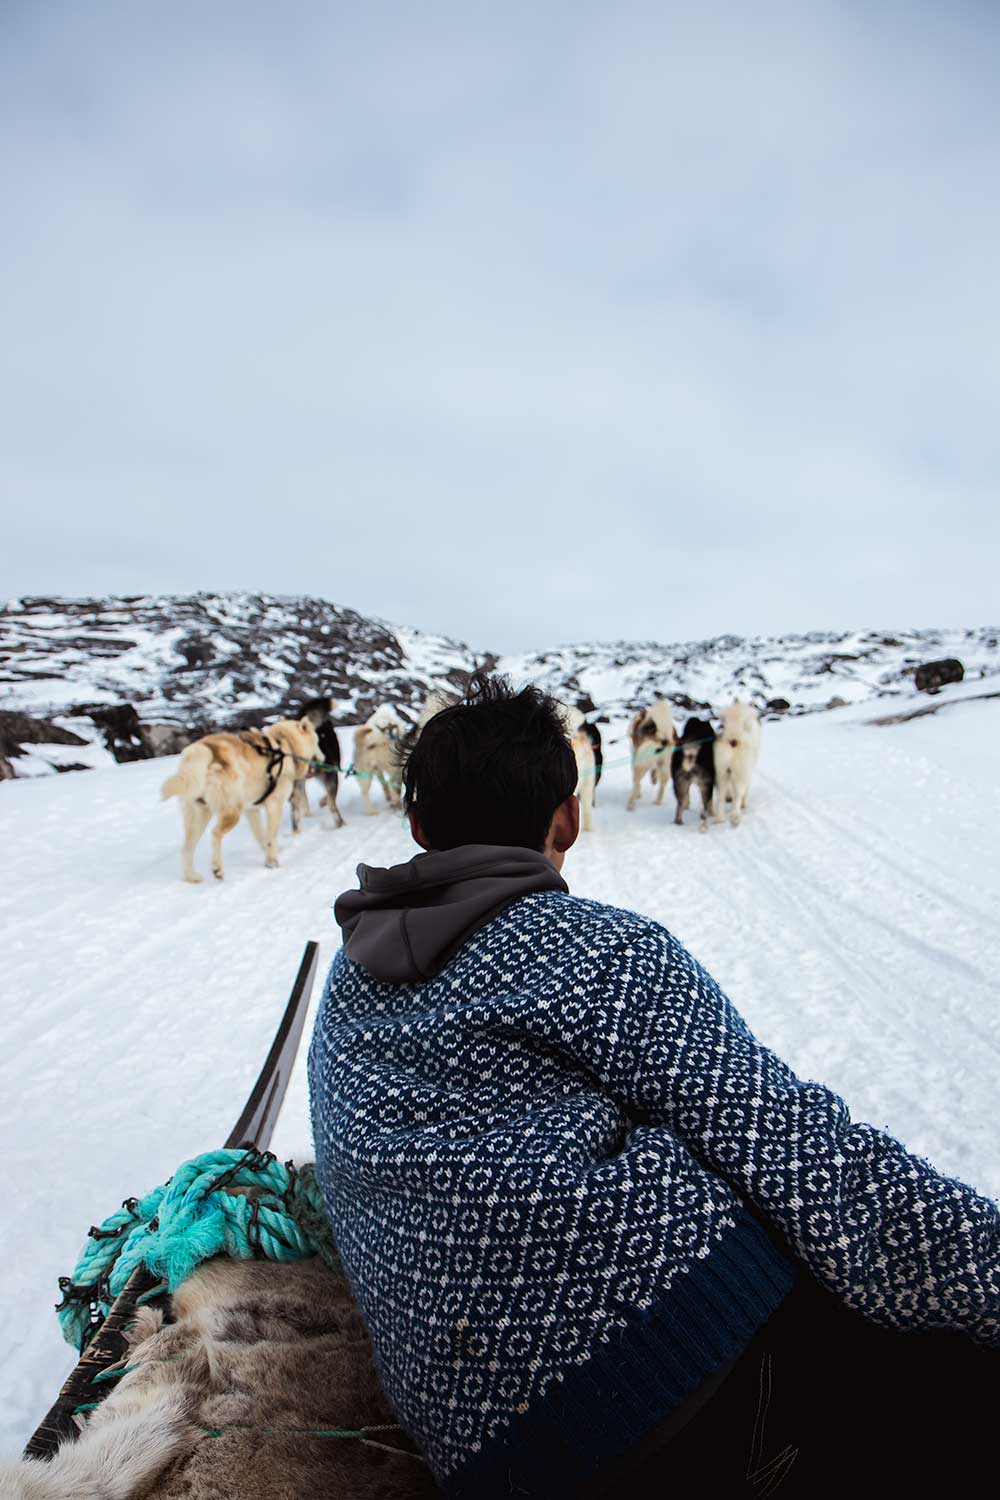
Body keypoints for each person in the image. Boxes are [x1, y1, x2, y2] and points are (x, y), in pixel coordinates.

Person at [307, 674, 998, 1498]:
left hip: (485, 1453)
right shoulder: (599, 950)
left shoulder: (347, 983)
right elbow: (799, 1152)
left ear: (417, 826)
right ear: (568, 817)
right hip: (678, 1366)